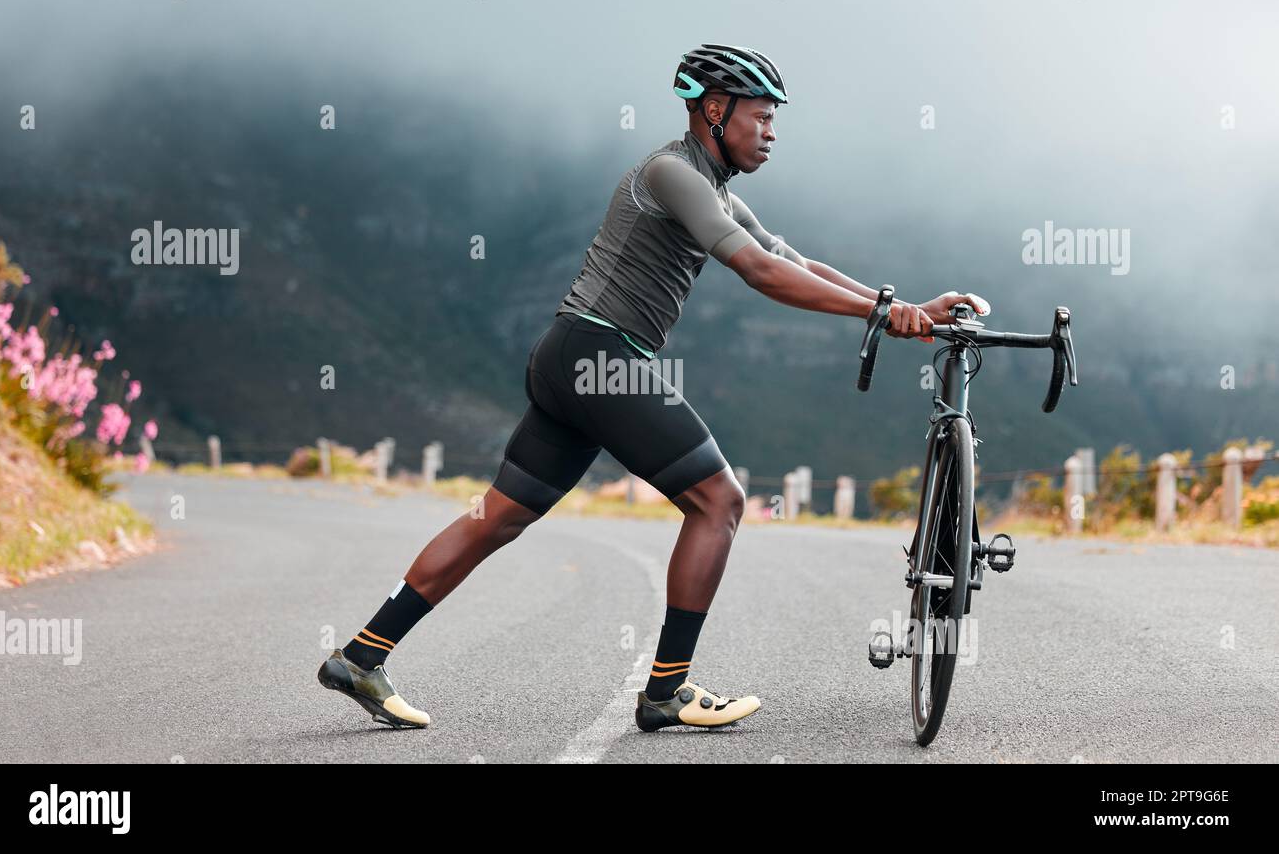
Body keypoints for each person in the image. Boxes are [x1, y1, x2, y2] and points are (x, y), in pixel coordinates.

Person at [318, 44, 991, 732]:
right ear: (713, 110)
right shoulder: (672, 172)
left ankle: (361, 657)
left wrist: (905, 308)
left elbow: (792, 258)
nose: (771, 132)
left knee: (499, 516)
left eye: (774, 120)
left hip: (572, 357)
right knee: (719, 501)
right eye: (759, 117)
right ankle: (666, 691)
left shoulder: (714, 187)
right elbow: (758, 271)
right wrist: (881, 315)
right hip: (596, 354)